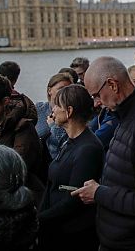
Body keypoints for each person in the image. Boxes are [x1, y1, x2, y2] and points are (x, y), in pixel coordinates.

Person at [72, 56, 135, 250]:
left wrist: (100, 193)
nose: (96, 103)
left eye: (96, 95)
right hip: (121, 238)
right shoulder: (128, 117)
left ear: (112, 84)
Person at [39, 84, 103, 250]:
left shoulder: (88, 148)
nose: (53, 110)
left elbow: (74, 199)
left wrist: (38, 219)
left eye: (57, 106)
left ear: (69, 111)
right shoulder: (70, 140)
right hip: (56, 225)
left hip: (72, 234)